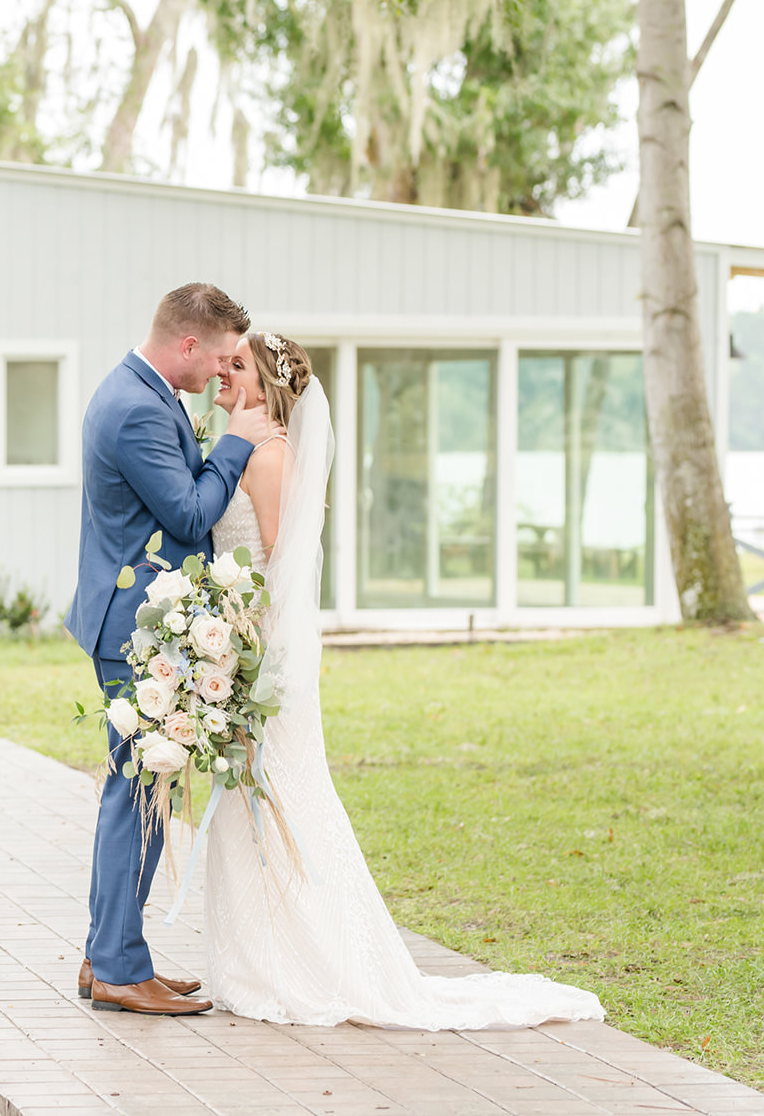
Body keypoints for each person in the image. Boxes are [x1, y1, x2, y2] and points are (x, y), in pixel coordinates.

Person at [200, 330, 604, 1029]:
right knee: (251, 806)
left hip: (260, 662)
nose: (222, 374)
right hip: (242, 654)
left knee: (280, 803)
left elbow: (274, 575)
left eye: (237, 366)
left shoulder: (268, 458)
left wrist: (244, 662)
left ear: (269, 385)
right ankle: (255, 958)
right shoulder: (251, 446)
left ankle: (299, 961)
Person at [65, 282, 271, 1015]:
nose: (223, 372)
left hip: (134, 617)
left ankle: (108, 952)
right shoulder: (134, 409)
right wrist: (239, 442)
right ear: (187, 344)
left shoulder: (143, 394)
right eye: (218, 357)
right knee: (140, 794)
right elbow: (187, 510)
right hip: (135, 626)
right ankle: (120, 964)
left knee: (135, 789)